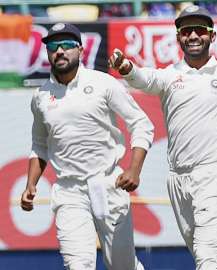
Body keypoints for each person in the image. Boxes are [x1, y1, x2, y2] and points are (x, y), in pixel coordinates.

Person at [109, 5, 217, 270]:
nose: (194, 35)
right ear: (178, 38)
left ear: (212, 36)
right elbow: (144, 78)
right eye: (187, 31)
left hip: (213, 176)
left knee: (207, 256)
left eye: (200, 30)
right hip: (177, 179)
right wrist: (126, 66)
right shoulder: (170, 76)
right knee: (214, 255)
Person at [20, 23, 153, 270]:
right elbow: (39, 145)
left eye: (67, 45)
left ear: (80, 50)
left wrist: (134, 170)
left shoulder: (103, 83)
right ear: (47, 52)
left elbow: (142, 124)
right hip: (69, 191)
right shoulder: (40, 96)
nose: (60, 51)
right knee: (78, 265)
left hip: (109, 184)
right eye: (53, 46)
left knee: (122, 266)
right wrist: (31, 184)